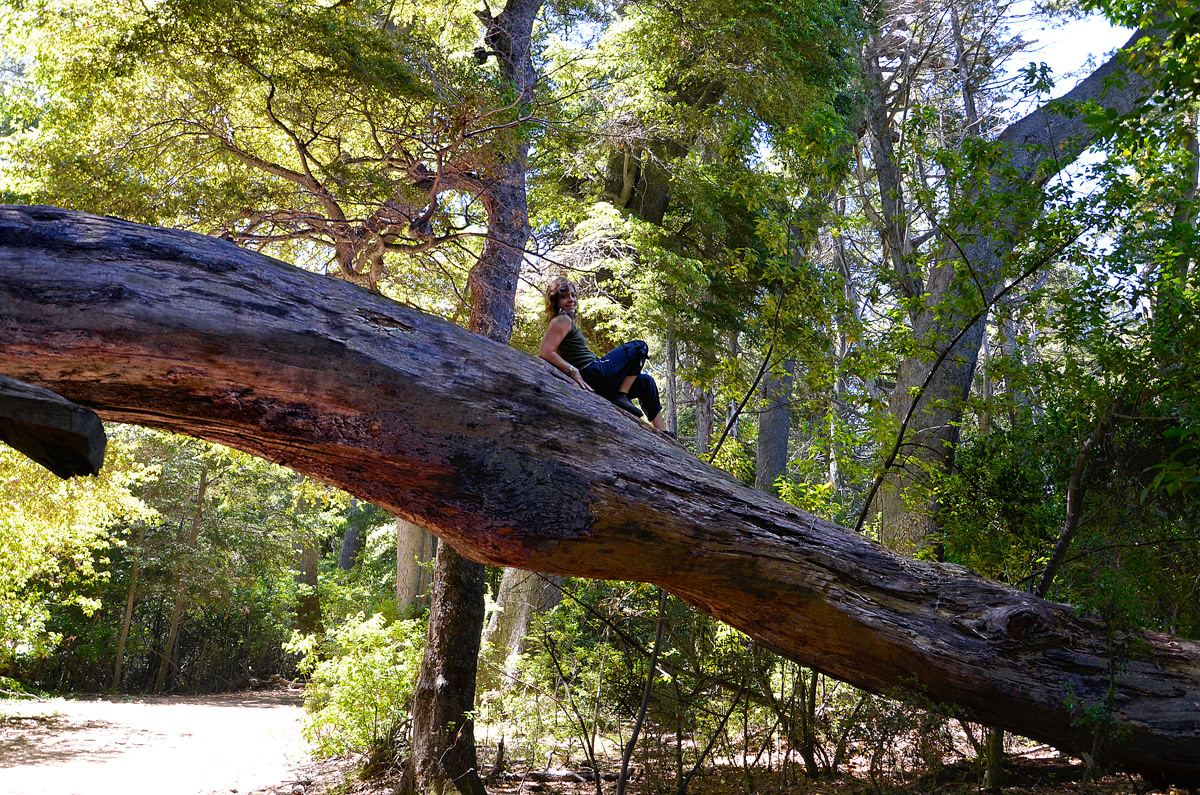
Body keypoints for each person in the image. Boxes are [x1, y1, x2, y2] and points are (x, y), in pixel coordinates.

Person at [539, 276, 667, 432]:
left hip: (598, 380)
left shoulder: (565, 321)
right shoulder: (562, 320)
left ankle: (663, 433)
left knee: (646, 382)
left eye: (573, 295)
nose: (571, 300)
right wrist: (572, 370)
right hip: (592, 372)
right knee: (639, 347)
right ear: (555, 301)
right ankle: (620, 395)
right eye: (564, 297)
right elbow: (545, 352)